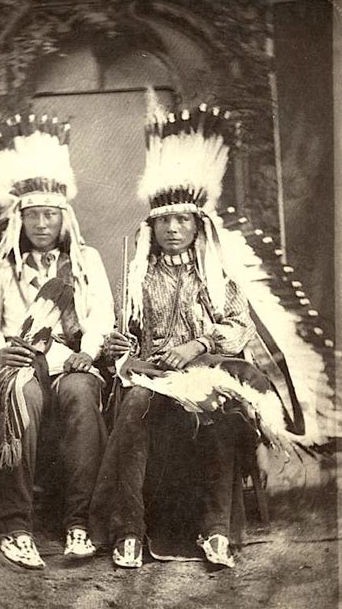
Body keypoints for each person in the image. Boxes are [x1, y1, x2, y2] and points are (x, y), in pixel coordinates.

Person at [90, 97, 288, 570]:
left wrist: (197, 344)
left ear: (199, 225)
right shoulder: (136, 275)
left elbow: (238, 327)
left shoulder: (217, 275)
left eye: (183, 220)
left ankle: (215, 532)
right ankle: (128, 532)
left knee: (217, 412)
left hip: (209, 372)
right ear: (152, 226)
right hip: (152, 376)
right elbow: (126, 333)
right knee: (134, 408)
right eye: (164, 221)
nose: (173, 229)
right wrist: (121, 347)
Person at [0, 113, 115, 570]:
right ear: (21, 219)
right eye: (34, 215)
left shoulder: (85, 262)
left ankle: (79, 523)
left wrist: (87, 354)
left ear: (63, 218)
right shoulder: (1, 267)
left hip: (71, 362)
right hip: (20, 366)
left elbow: (102, 317)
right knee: (20, 396)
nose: (43, 224)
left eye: (50, 214)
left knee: (82, 393)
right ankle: (15, 526)